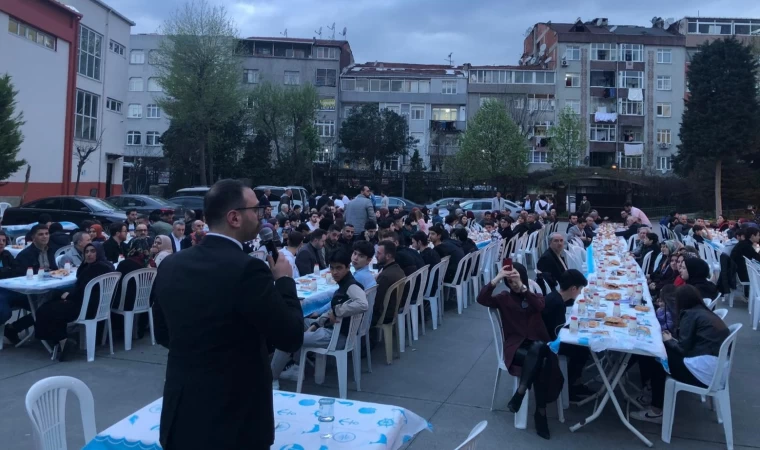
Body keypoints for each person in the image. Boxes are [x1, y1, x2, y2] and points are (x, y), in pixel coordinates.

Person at [151, 179, 303, 450]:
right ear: (234, 217)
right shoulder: (247, 270)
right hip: (235, 420)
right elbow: (291, 336)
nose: (260, 217)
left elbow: (162, 333)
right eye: (255, 211)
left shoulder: (172, 265)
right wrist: (284, 282)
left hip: (182, 413)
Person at [477, 262, 564, 439]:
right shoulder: (503, 298)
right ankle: (541, 414)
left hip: (537, 346)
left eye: (515, 277)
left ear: (523, 277)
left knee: (540, 352)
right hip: (516, 347)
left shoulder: (534, 296)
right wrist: (497, 278)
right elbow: (481, 299)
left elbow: (540, 307)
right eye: (509, 280)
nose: (512, 282)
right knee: (543, 356)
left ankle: (520, 394)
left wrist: (522, 287)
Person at [632, 285, 729, 424]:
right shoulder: (701, 311)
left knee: (658, 357)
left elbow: (682, 349)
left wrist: (669, 340)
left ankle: (656, 410)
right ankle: (649, 391)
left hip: (702, 370)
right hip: (714, 366)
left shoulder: (690, 314)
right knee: (659, 352)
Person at [270, 250, 368, 385]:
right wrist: (317, 323)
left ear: (347, 267)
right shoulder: (344, 284)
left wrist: (338, 311)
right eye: (332, 268)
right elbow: (333, 309)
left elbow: (363, 304)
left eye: (339, 268)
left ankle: (272, 378)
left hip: (336, 336)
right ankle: (297, 366)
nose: (334, 272)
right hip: (333, 329)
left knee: (288, 336)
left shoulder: (351, 286)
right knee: (299, 323)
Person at [7, 243, 114, 360]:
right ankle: (59, 340)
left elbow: (83, 292)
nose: (89, 254)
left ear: (99, 252)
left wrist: (67, 296)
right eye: (87, 252)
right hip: (99, 306)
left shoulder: (95, 268)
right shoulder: (107, 266)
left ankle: (61, 340)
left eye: (93, 251)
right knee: (52, 302)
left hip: (85, 307)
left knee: (44, 309)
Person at [541, 269, 592, 400]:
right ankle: (569, 386)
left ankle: (575, 382)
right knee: (582, 350)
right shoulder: (557, 304)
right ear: (574, 288)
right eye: (580, 290)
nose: (581, 293)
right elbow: (558, 332)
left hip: (547, 336)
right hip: (548, 343)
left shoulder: (555, 296)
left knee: (582, 347)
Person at [371, 241, 406, 327]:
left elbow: (375, 302)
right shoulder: (397, 268)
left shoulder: (385, 276)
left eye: (379, 253)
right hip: (394, 309)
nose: (376, 255)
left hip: (385, 314)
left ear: (388, 256)